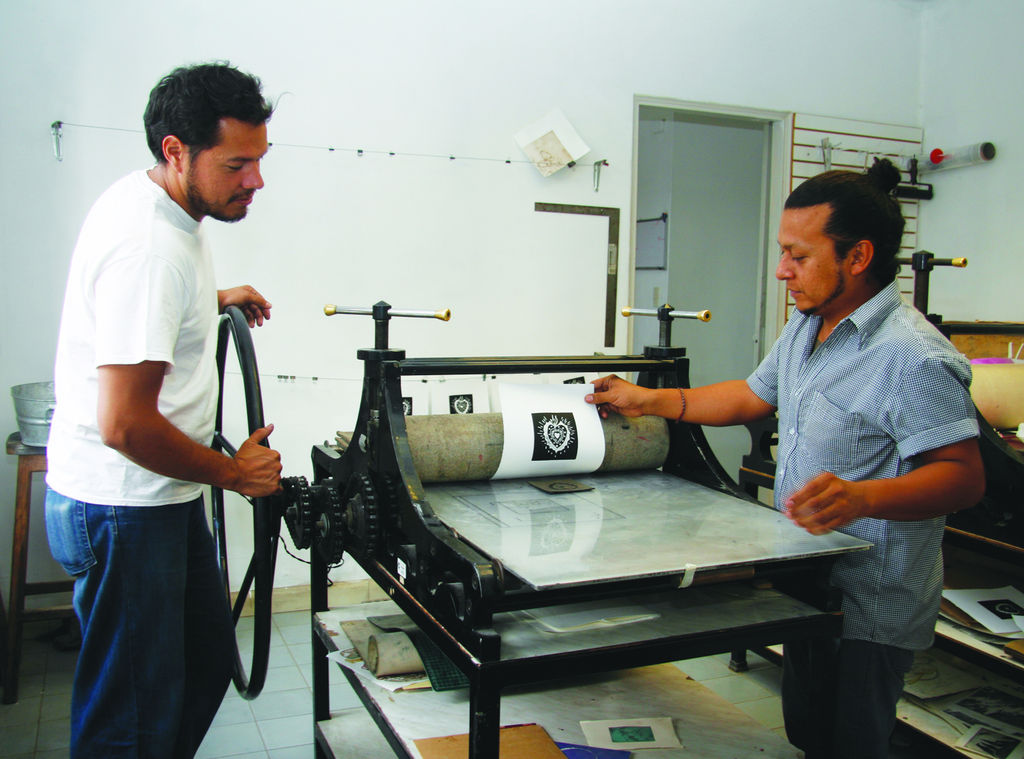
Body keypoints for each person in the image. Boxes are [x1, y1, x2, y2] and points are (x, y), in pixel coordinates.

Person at [586, 158, 985, 758]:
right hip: (809, 577)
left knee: (852, 744)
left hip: (871, 602)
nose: (781, 271)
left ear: (858, 256)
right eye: (782, 253)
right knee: (807, 731)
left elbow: (963, 478)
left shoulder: (913, 356)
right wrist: (649, 400)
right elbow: (753, 395)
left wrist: (863, 497)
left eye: (798, 255)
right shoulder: (807, 327)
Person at [44, 62, 282, 759]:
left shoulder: (161, 208)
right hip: (124, 505)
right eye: (236, 164)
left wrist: (209, 300)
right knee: (133, 717)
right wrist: (234, 474)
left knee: (204, 665)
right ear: (176, 151)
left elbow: (141, 314)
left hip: (159, 497)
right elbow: (125, 425)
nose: (255, 181)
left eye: (260, 160)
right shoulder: (149, 252)